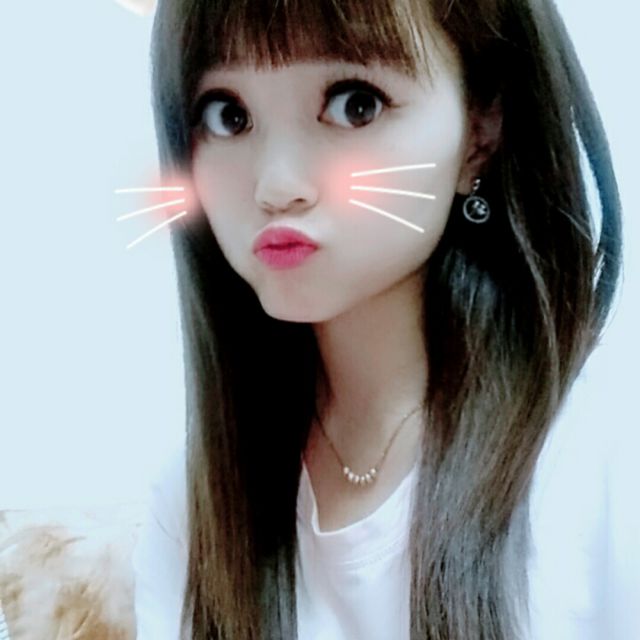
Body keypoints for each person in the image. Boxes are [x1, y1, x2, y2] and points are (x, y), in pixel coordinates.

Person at [132, 0, 629, 638]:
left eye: (355, 104)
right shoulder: (192, 505)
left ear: (480, 131)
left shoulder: (599, 456)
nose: (276, 186)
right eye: (227, 116)